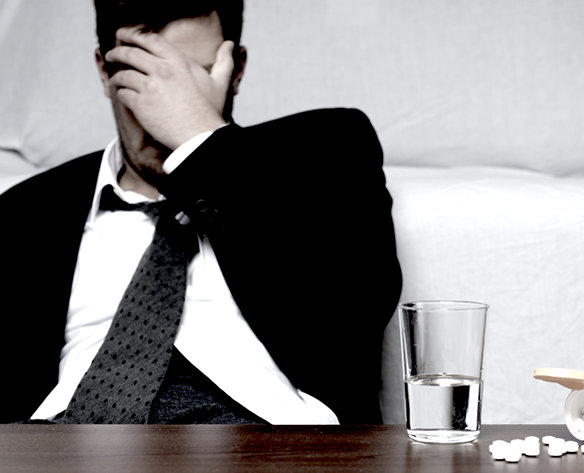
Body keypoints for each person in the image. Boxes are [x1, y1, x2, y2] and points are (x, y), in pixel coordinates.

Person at [0, 0, 401, 424]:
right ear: (105, 70)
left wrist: (197, 137)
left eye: (192, 77)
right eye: (144, 75)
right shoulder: (25, 212)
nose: (162, 104)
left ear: (236, 70)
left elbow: (346, 320)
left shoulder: (327, 151)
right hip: (62, 440)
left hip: (268, 443)